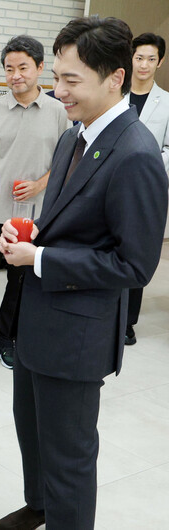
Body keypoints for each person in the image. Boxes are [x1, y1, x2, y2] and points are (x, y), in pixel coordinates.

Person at [0, 17, 168, 530]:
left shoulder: (136, 155)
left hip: (77, 334)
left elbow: (134, 265)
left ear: (114, 78)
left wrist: (40, 259)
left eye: (73, 80)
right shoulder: (74, 137)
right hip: (39, 318)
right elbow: (66, 221)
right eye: (59, 77)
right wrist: (26, 237)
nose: (59, 90)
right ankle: (40, 506)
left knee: (69, 454)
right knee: (32, 430)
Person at [0, 35, 70, 369]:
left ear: (39, 68)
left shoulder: (59, 112)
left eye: (23, 67)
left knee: (20, 283)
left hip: (33, 216)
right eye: (9, 68)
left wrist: (39, 185)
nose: (15, 74)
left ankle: (6, 340)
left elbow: (64, 163)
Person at [124, 32, 169, 346]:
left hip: (147, 189)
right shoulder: (115, 95)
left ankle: (128, 322)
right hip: (112, 184)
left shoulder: (167, 102)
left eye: (151, 59)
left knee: (137, 251)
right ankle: (110, 313)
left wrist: (145, 166)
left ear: (160, 62)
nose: (144, 64)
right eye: (139, 57)